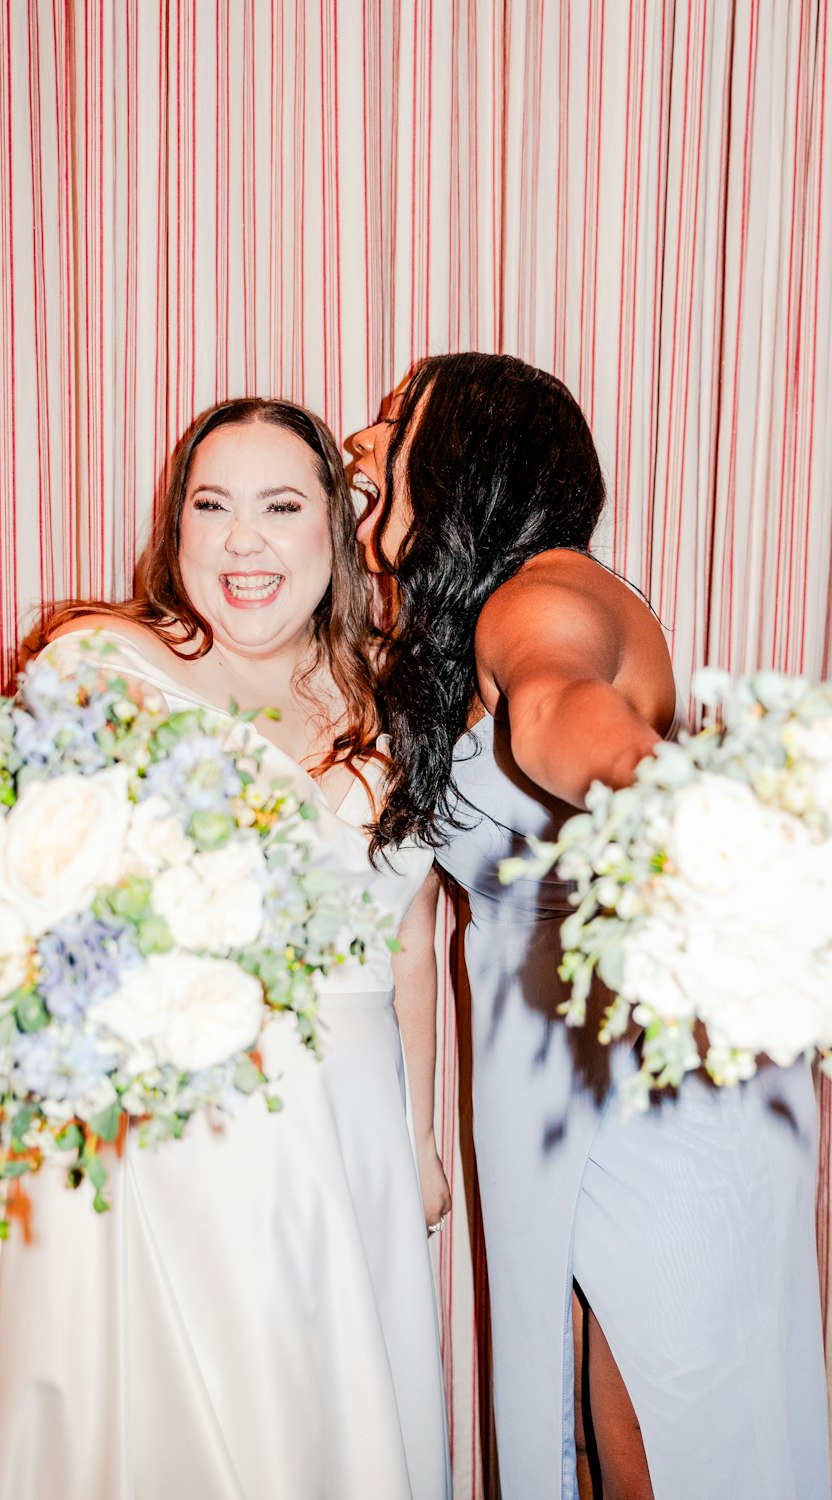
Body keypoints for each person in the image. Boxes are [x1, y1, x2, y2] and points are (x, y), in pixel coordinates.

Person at [0, 398, 452, 1500]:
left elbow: (411, 939)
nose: (244, 541)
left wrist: (421, 1141)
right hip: (174, 1133)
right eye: (211, 505)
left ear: (332, 526)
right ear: (173, 529)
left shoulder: (393, 697)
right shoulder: (106, 664)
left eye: (281, 506)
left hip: (352, 1122)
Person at [348, 353, 830, 1500]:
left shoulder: (539, 603)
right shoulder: (493, 608)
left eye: (394, 418)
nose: (366, 438)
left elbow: (570, 714)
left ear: (462, 452)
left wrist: (674, 803)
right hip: (574, 1055)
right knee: (629, 1395)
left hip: (639, 1071)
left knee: (674, 1411)